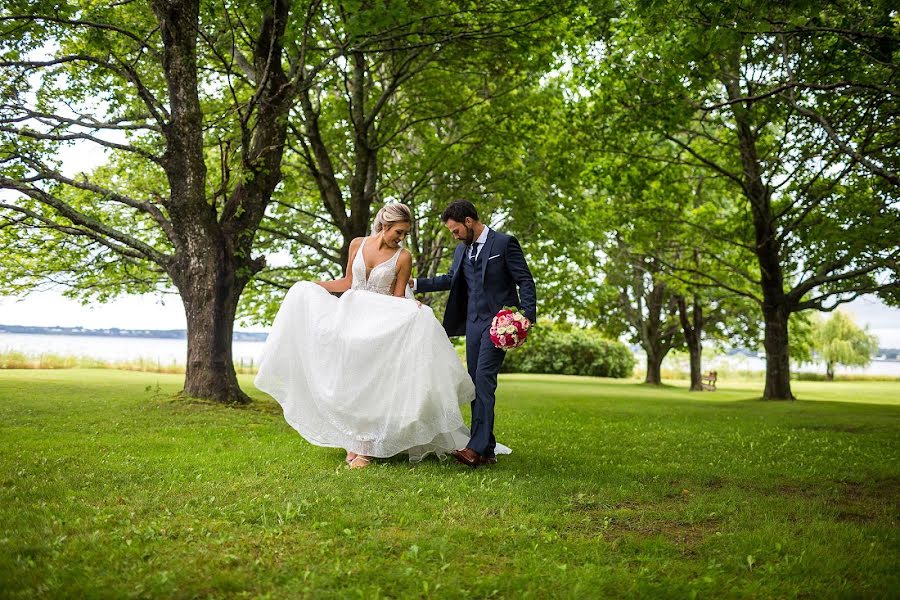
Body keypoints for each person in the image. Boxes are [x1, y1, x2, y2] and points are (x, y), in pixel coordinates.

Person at [254, 203, 509, 468]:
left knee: (374, 384)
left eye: (405, 234)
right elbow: (347, 282)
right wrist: (312, 287)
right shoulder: (357, 244)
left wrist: (414, 309)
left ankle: (366, 447)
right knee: (352, 382)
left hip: (380, 326)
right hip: (351, 320)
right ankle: (355, 440)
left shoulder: (403, 257)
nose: (401, 238)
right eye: (399, 232)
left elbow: (398, 297)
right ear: (385, 225)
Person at [413, 200, 536, 468]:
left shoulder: (504, 243)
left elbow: (524, 279)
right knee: (473, 385)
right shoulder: (461, 251)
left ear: (469, 221)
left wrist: (525, 317)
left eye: (456, 230)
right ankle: (487, 449)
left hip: (498, 324)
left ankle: (475, 448)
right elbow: (449, 279)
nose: (454, 236)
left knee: (484, 381)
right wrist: (412, 283)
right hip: (473, 325)